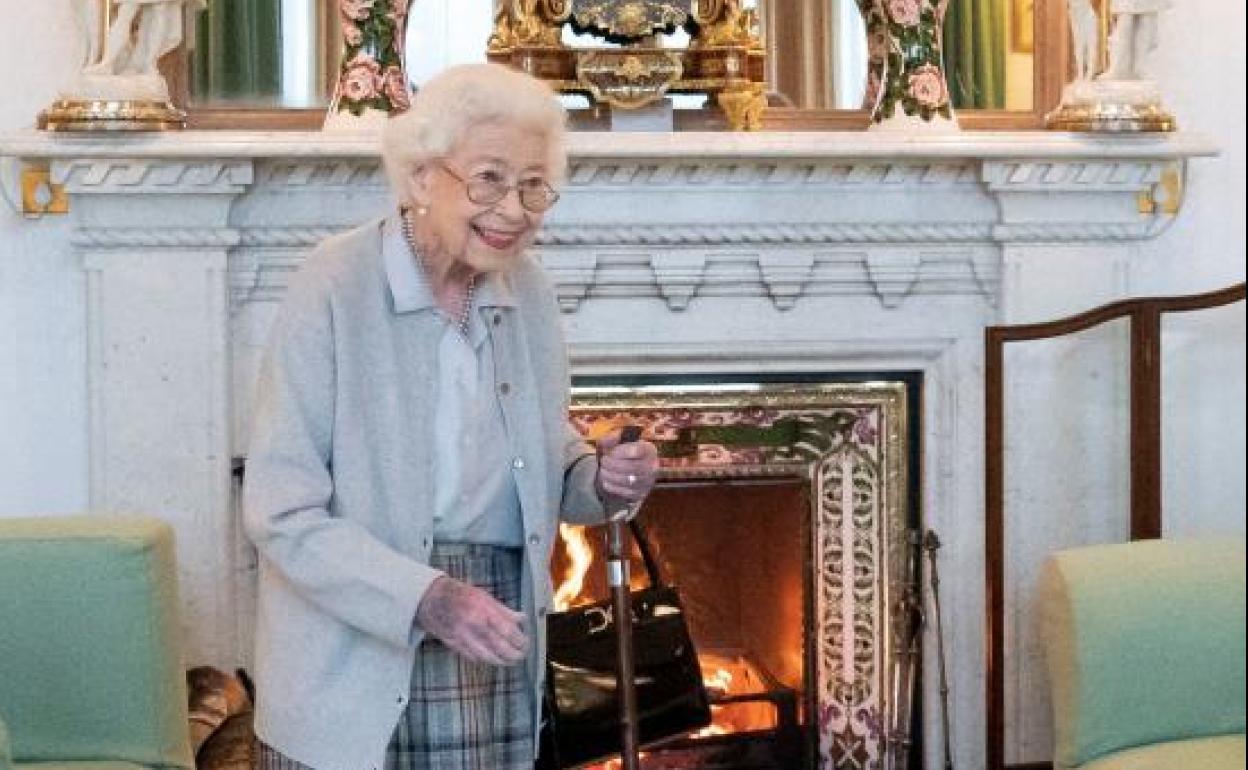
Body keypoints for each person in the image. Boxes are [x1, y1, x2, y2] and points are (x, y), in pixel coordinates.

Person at [243, 62, 660, 770]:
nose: (515, 207)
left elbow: (539, 454)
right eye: (490, 178)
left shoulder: (528, 292)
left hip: (493, 627)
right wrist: (428, 598)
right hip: (360, 638)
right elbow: (280, 511)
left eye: (533, 184)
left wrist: (602, 477)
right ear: (419, 176)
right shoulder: (334, 284)